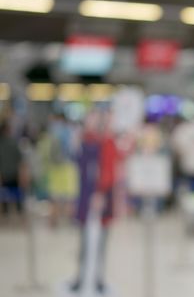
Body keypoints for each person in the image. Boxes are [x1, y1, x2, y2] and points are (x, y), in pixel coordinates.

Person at [71, 111, 119, 294]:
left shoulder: (107, 142)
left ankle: (98, 278)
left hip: (102, 196)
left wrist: (101, 192)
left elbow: (109, 170)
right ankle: (81, 277)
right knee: (83, 241)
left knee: (102, 241)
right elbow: (78, 165)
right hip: (85, 195)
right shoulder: (83, 141)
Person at [0, 120, 27, 220]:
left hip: (3, 176)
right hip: (14, 175)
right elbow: (21, 162)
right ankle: (20, 216)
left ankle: (6, 217)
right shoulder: (13, 143)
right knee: (18, 197)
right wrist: (23, 176)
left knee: (5, 198)